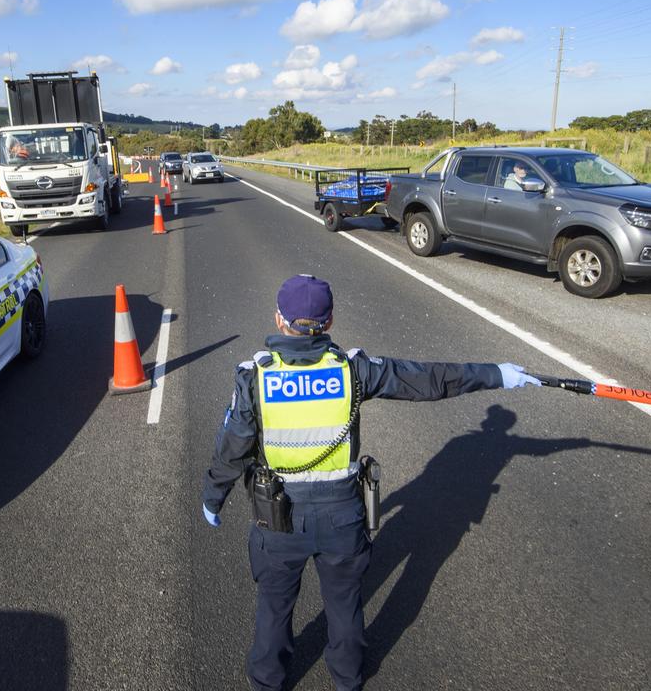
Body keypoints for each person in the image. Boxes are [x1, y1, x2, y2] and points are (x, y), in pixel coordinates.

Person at [202, 275, 541, 691]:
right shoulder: (353, 370)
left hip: (278, 520)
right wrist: (496, 374)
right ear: (329, 322)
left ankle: (267, 683)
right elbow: (426, 380)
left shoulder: (255, 377)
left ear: (279, 319)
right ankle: (347, 680)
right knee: (344, 606)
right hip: (343, 517)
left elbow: (231, 447)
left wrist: (213, 497)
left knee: (274, 608)